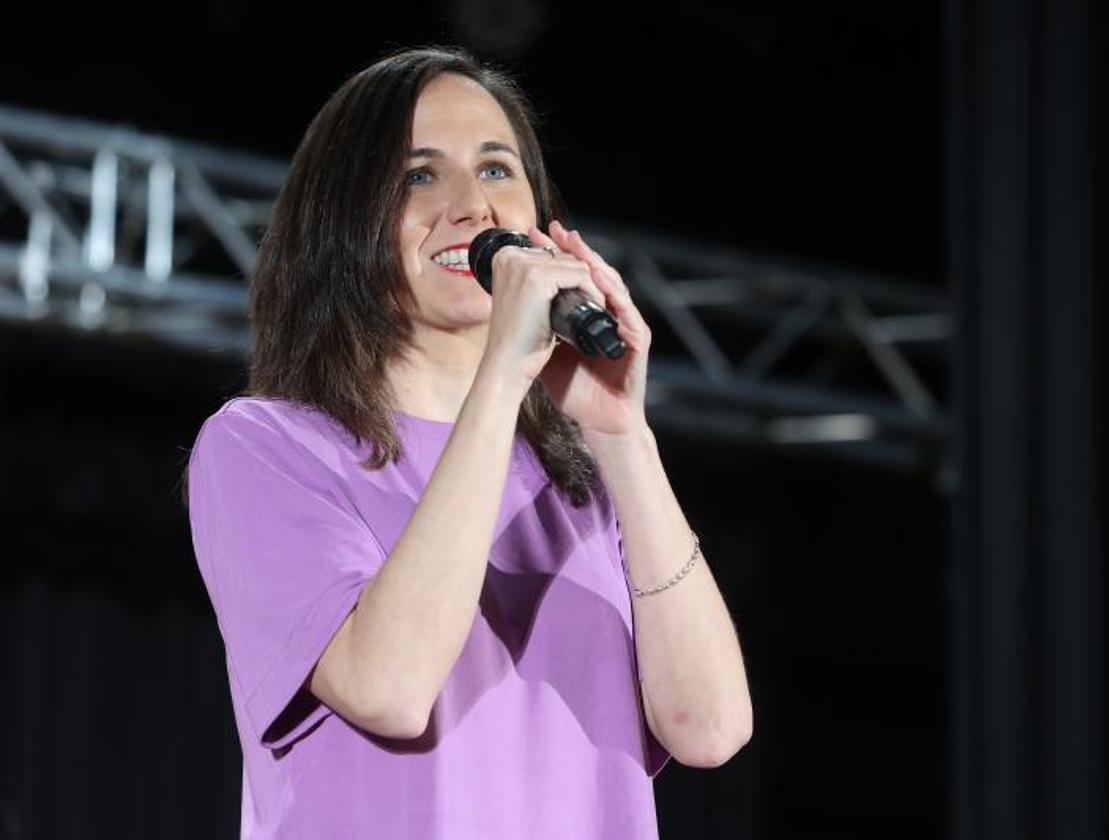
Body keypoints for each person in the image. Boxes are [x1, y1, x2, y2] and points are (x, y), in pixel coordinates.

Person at [183, 45, 752, 839]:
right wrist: (501, 382)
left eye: (496, 170)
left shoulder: (585, 484)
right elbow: (388, 686)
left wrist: (623, 439)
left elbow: (711, 728)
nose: (472, 207)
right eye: (419, 175)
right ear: (343, 220)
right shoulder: (266, 448)